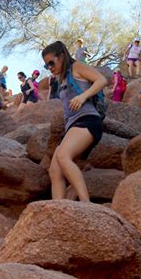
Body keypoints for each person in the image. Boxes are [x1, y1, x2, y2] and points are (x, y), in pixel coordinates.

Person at [42, 40, 107, 202]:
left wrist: (83, 95)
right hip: (73, 126)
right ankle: (59, 208)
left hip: (88, 120)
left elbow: (101, 80)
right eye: (46, 66)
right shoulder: (61, 79)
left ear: (62, 56)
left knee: (63, 156)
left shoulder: (76, 67)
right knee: (54, 170)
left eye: (51, 62)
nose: (50, 67)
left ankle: (86, 204)